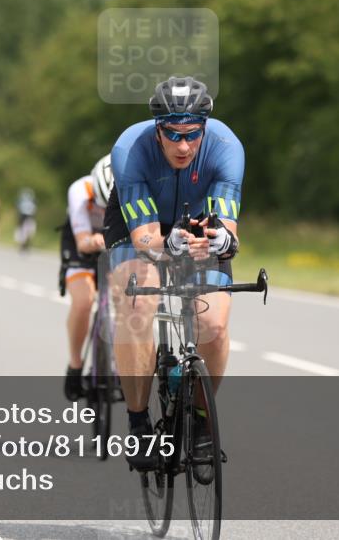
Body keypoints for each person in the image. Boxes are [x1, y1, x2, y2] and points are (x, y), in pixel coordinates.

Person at [104, 76, 244, 471]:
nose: (184, 146)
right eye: (173, 135)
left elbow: (227, 225)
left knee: (213, 328)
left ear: (204, 129)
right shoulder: (130, 149)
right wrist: (167, 246)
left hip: (196, 217)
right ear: (157, 130)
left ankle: (200, 420)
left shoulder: (226, 147)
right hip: (139, 225)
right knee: (137, 307)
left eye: (192, 135)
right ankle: (138, 423)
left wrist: (219, 242)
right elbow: (145, 235)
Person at [61, 155, 114, 401]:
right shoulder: (79, 190)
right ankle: (75, 363)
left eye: (108, 206)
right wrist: (94, 241)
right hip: (81, 241)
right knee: (83, 301)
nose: (103, 211)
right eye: (99, 205)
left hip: (115, 240)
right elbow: (83, 242)